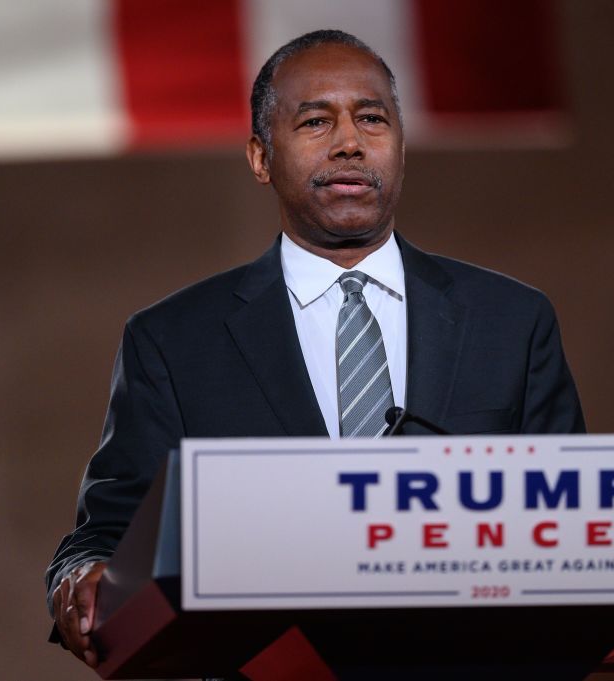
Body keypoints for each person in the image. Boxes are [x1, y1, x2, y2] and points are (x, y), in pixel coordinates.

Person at [47, 29, 585, 669]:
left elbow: (572, 526)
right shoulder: (171, 341)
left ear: (402, 146)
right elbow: (109, 533)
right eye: (315, 121)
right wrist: (78, 578)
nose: (350, 142)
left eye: (372, 118)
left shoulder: (512, 321)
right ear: (260, 157)